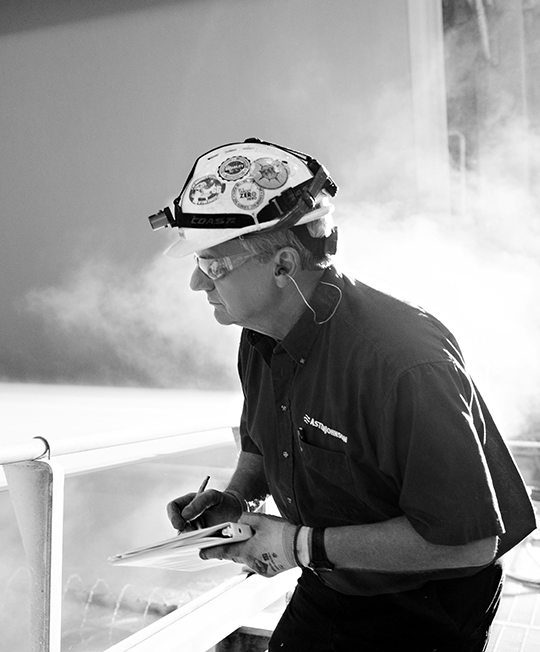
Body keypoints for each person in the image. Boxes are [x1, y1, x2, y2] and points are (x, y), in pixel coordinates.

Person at [150, 139, 536, 651]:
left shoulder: (403, 361)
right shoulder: (261, 332)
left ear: (284, 264)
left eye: (214, 264)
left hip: (426, 606)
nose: (197, 282)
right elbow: (265, 444)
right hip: (329, 578)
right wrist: (235, 499)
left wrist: (298, 544)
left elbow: (467, 544)